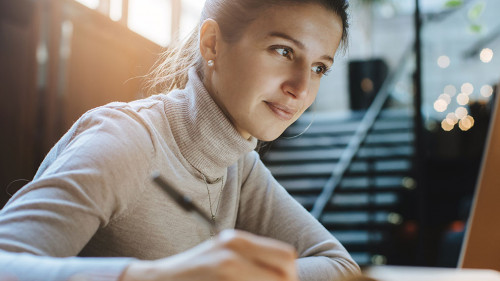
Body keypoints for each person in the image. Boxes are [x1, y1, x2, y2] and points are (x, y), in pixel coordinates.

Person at [0, 0, 360, 280]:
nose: (300, 89)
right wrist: (156, 277)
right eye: (283, 51)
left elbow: (341, 267)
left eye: (319, 69)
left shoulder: (240, 165)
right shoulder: (128, 140)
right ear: (212, 44)